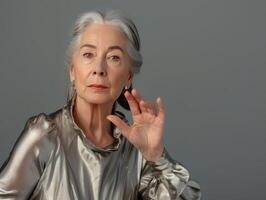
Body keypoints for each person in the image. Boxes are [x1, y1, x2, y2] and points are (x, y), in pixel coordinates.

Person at [0, 10, 201, 200]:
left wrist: (157, 157)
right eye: (88, 54)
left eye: (114, 58)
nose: (99, 69)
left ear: (128, 77)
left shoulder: (136, 149)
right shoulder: (44, 135)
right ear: (72, 70)